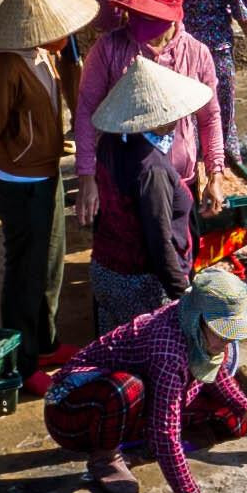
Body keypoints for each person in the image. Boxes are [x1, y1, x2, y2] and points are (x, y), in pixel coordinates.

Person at [45, 267, 247, 493]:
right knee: (127, 389)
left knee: (230, 419)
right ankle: (104, 457)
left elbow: (212, 371)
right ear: (198, 320)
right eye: (220, 333)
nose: (225, 342)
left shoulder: (199, 327)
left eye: (229, 335)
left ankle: (130, 443)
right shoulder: (168, 348)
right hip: (71, 410)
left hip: (121, 409)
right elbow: (165, 434)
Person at [0, 0, 93, 345]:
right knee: (25, 269)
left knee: (50, 263)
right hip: (21, 183)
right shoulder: (6, 66)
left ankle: (45, 340)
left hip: (46, 175)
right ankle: (21, 352)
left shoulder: (47, 57)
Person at [78, 0, 229, 209]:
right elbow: (85, 111)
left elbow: (210, 117)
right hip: (122, 183)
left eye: (149, 16)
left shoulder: (196, 53)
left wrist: (215, 175)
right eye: (135, 13)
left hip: (182, 182)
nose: (137, 21)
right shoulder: (108, 49)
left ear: (172, 17)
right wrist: (86, 175)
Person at [78, 50, 206, 331]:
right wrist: (181, 293)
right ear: (160, 118)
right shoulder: (153, 169)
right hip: (139, 284)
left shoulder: (111, 144)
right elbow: (158, 238)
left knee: (113, 348)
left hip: (105, 271)